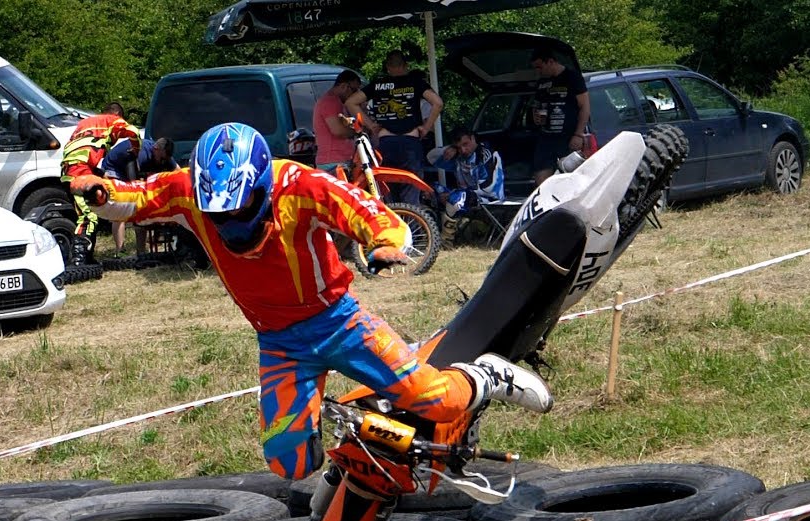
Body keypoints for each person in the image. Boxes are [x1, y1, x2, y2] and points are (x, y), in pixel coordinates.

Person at [69, 122, 552, 481]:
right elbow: (132, 198)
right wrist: (97, 190)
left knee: (437, 402)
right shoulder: (188, 190)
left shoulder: (301, 185)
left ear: (262, 185)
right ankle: (360, 436)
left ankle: (485, 376)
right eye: (220, 214)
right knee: (289, 463)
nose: (231, 222)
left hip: (340, 323)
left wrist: (386, 243)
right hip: (279, 343)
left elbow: (369, 212)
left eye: (242, 208)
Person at [346, 50, 443, 205]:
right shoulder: (415, 82)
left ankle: (393, 218)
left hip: (385, 143)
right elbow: (438, 103)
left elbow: (351, 102)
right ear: (406, 65)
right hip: (410, 143)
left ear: (387, 67)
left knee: (389, 194)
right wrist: (426, 128)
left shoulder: (377, 85)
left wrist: (370, 125)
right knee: (411, 194)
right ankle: (411, 218)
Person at [59, 102, 139, 255]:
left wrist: (100, 174)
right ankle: (79, 259)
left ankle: (88, 257)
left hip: (68, 172)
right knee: (88, 218)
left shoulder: (83, 124)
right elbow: (134, 132)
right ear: (117, 115)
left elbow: (80, 154)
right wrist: (136, 150)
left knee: (90, 213)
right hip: (80, 174)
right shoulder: (111, 120)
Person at [425, 127, 505, 242]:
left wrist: (454, 194)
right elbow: (431, 156)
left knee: (456, 198)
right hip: (466, 195)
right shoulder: (459, 156)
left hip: (489, 198)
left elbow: (488, 188)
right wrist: (451, 148)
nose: (463, 150)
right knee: (431, 190)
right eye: (459, 147)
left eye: (465, 144)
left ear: (473, 138)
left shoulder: (485, 154)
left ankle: (447, 240)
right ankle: (431, 231)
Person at [100, 137, 179, 254]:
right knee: (120, 210)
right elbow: (134, 182)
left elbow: (178, 172)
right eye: (162, 159)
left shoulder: (164, 154)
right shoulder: (141, 154)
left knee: (142, 211)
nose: (163, 162)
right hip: (114, 169)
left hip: (130, 171)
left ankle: (141, 252)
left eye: (165, 159)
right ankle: (120, 251)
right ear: (155, 149)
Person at [529, 47, 591, 187]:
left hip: (568, 137)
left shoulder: (572, 78)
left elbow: (585, 106)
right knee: (541, 176)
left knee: (570, 178)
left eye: (540, 67)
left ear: (551, 62)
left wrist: (578, 135)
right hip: (546, 137)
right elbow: (536, 106)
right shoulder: (541, 82)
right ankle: (545, 198)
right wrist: (536, 116)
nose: (538, 71)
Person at [313, 69, 361, 173]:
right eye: (354, 90)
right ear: (344, 86)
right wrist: (359, 132)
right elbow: (338, 131)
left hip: (335, 161)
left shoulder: (336, 102)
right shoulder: (331, 101)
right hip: (334, 162)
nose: (355, 95)